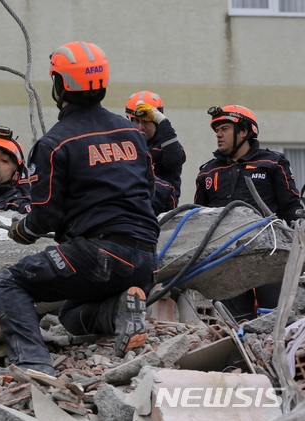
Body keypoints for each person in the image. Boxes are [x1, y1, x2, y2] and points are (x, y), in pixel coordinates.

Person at [0, 41, 160, 376]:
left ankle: (33, 364)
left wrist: (22, 230)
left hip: (99, 252)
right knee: (70, 314)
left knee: (9, 282)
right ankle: (120, 310)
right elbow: (148, 191)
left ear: (59, 85)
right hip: (145, 259)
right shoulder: (132, 133)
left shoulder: (55, 143)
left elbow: (45, 216)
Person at [195, 104, 303, 321]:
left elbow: (291, 207)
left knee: (276, 320)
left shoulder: (273, 163)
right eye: (216, 130)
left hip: (269, 256)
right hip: (225, 261)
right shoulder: (208, 171)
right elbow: (200, 220)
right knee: (235, 325)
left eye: (224, 128)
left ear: (244, 131)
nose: (218, 134)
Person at [125, 91, 186, 204]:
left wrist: (163, 122)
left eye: (146, 122)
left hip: (162, 211)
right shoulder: (127, 145)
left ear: (156, 122)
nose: (140, 127)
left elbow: (174, 161)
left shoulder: (167, 144)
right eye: (136, 121)